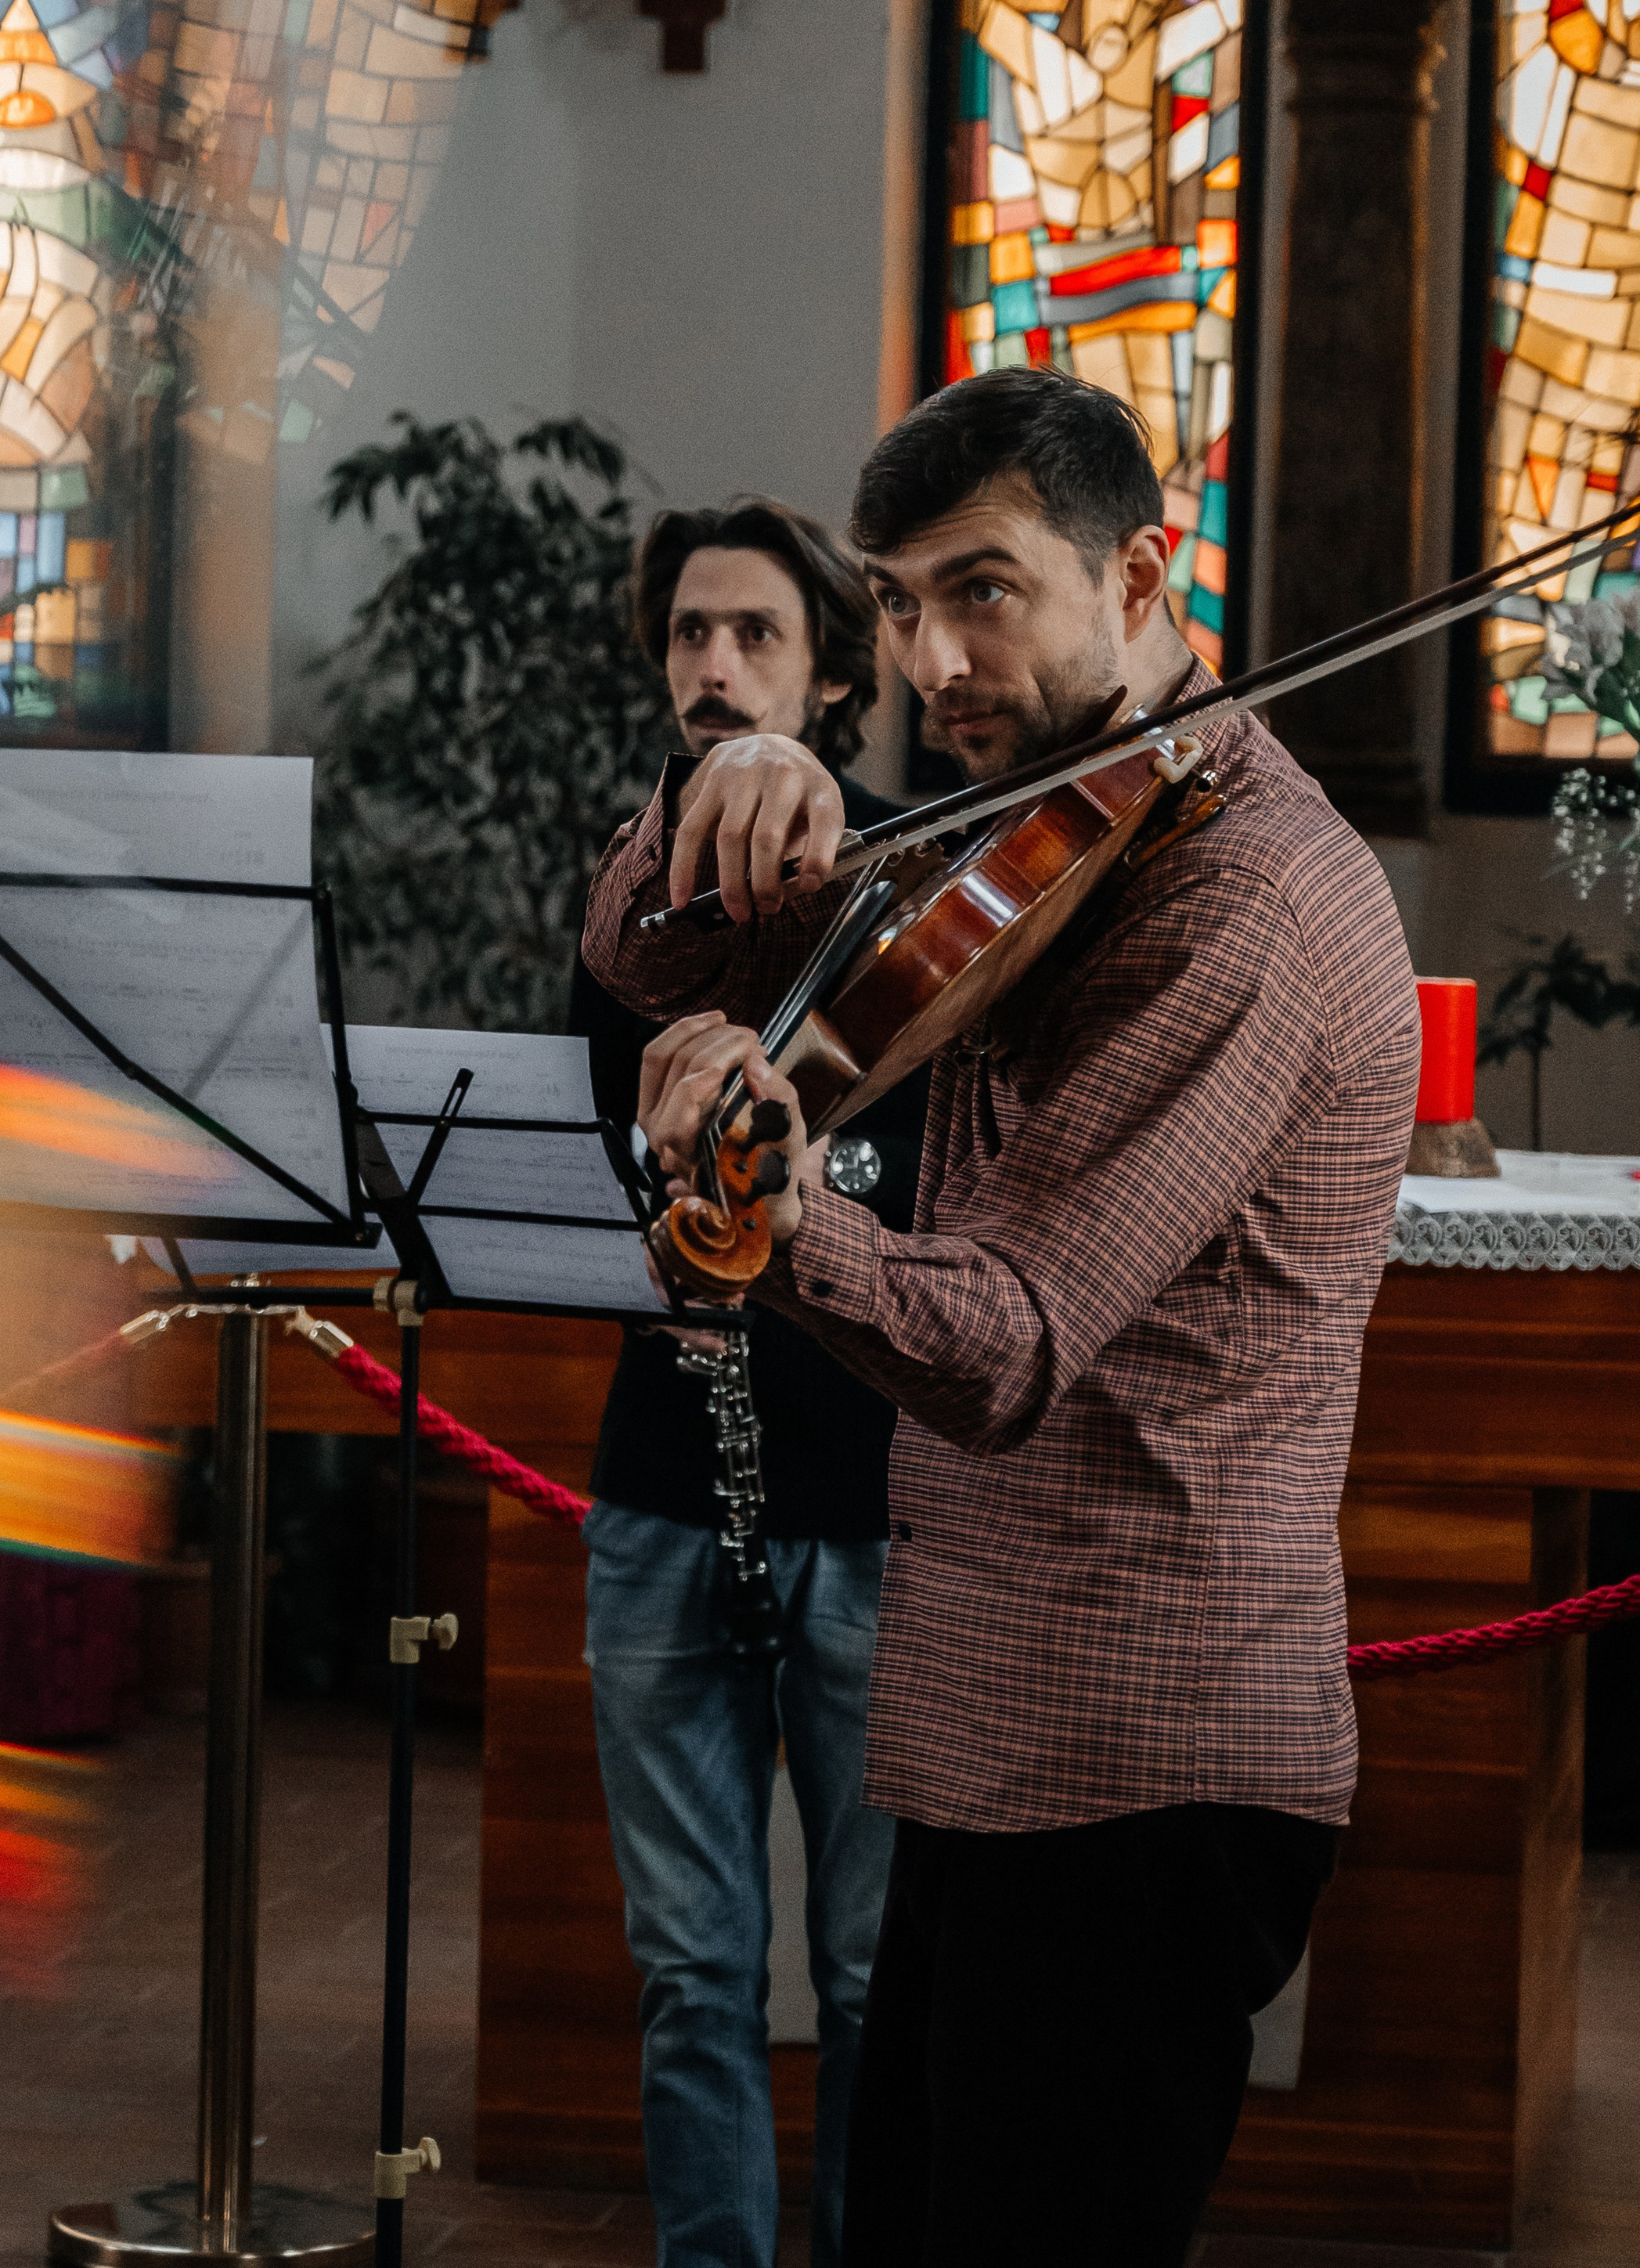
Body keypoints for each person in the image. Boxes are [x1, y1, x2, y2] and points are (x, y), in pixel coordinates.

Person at [582, 373, 1421, 2266]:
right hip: (984, 1732)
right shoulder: (1024, 836)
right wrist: (711, 795)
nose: (927, 655)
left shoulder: (1246, 900)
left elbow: (1014, 1333)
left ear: (1139, 570)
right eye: (891, 601)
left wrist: (765, 1209)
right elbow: (639, 959)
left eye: (982, 591)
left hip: (1141, 1749)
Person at [571, 498, 928, 2268]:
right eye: (688, 635)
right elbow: (600, 1174)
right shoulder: (628, 901)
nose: (712, 665)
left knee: (870, 1970)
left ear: (833, 673)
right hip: (659, 1486)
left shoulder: (924, 874)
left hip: (864, 1498)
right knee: (689, 1971)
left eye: (755, 636)